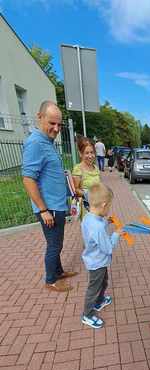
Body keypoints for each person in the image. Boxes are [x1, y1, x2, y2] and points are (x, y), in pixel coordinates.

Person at [22, 100, 78, 292]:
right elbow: (28, 179)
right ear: (40, 117)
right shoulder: (36, 142)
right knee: (54, 245)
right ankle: (51, 280)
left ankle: (59, 271)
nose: (56, 128)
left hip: (57, 205)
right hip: (50, 208)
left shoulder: (48, 142)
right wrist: (44, 210)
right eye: (52, 123)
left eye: (59, 124)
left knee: (57, 243)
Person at [81, 183, 122, 329]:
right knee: (94, 288)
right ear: (104, 205)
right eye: (109, 206)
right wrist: (117, 234)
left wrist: (106, 221)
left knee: (103, 282)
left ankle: (99, 302)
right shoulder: (97, 227)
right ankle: (87, 314)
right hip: (97, 262)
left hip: (97, 261)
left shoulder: (88, 217)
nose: (109, 209)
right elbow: (108, 248)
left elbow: (97, 223)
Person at [72, 137, 101, 209]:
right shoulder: (78, 169)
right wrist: (87, 194)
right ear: (80, 154)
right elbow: (75, 189)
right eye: (87, 153)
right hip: (85, 207)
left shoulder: (96, 168)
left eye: (92, 152)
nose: (90, 156)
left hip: (96, 205)